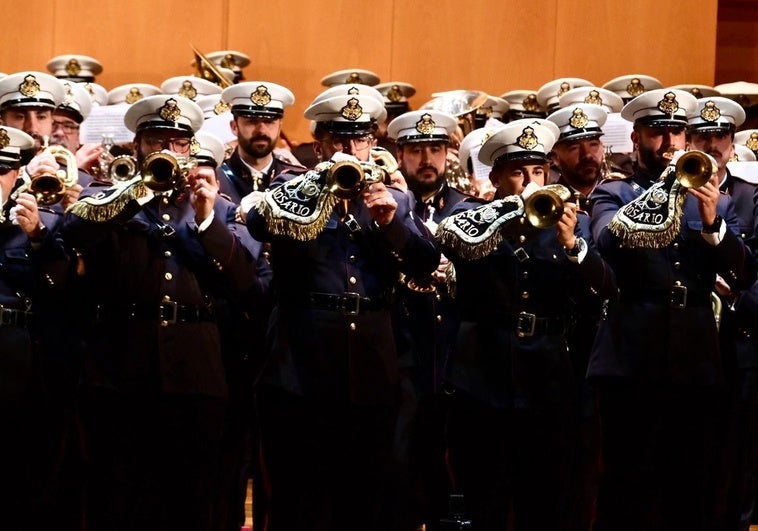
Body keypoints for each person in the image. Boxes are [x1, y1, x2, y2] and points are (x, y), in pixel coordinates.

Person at [63, 94, 261, 531]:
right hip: (121, 370)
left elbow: (246, 283)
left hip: (197, 370)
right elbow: (74, 233)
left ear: (190, 149)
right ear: (137, 147)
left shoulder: (220, 207)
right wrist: (136, 191)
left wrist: (208, 220)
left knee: (191, 498)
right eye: (156, 141)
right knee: (118, 495)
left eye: (177, 143)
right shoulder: (107, 195)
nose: (167, 152)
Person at [246, 86, 440, 531]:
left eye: (360, 139)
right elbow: (258, 222)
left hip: (371, 366)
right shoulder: (289, 187)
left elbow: (426, 263)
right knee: (300, 498)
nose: (351, 149)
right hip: (303, 365)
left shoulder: (397, 199)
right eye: (339, 139)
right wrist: (320, 182)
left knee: (365, 493)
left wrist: (391, 224)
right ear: (320, 146)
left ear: (373, 144)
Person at [588, 88, 757, 531]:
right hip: (631, 351)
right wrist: (663, 192)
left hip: (695, 353)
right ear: (637, 138)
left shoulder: (714, 199)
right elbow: (605, 242)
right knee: (628, 482)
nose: (668, 144)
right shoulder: (615, 191)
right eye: (657, 133)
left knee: (690, 483)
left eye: (677, 133)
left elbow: (744, 272)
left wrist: (712, 225)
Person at [436, 118, 616, 530]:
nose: (530, 183)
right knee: (486, 498)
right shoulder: (472, 216)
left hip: (548, 379)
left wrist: (573, 247)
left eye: (538, 172)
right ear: (497, 176)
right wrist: (501, 212)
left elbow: (605, 288)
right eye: (518, 173)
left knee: (545, 498)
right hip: (483, 377)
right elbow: (449, 242)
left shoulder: (571, 222)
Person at [383, 109, 465, 530]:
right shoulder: (386, 207)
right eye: (416, 150)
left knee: (450, 478)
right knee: (397, 473)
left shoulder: (469, 209)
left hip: (453, 359)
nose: (427, 159)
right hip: (401, 358)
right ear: (400, 154)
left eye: (436, 149)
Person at [688, 96, 758, 530]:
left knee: (736, 455)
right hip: (686, 339)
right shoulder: (668, 190)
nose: (713, 145)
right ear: (689, 141)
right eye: (703, 136)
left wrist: (734, 298)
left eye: (721, 137)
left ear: (732, 144)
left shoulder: (752, 197)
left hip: (739, 341)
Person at [0, 125, 71, 528]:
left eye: (4, 169)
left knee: (22, 476)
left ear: (18, 174)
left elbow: (62, 290)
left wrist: (38, 237)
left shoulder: (43, 220)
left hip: (21, 363)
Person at [219, 80, 305, 218]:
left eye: (269, 121)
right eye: (252, 121)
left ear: (279, 127)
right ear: (234, 127)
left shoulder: (297, 180)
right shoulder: (217, 179)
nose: (262, 130)